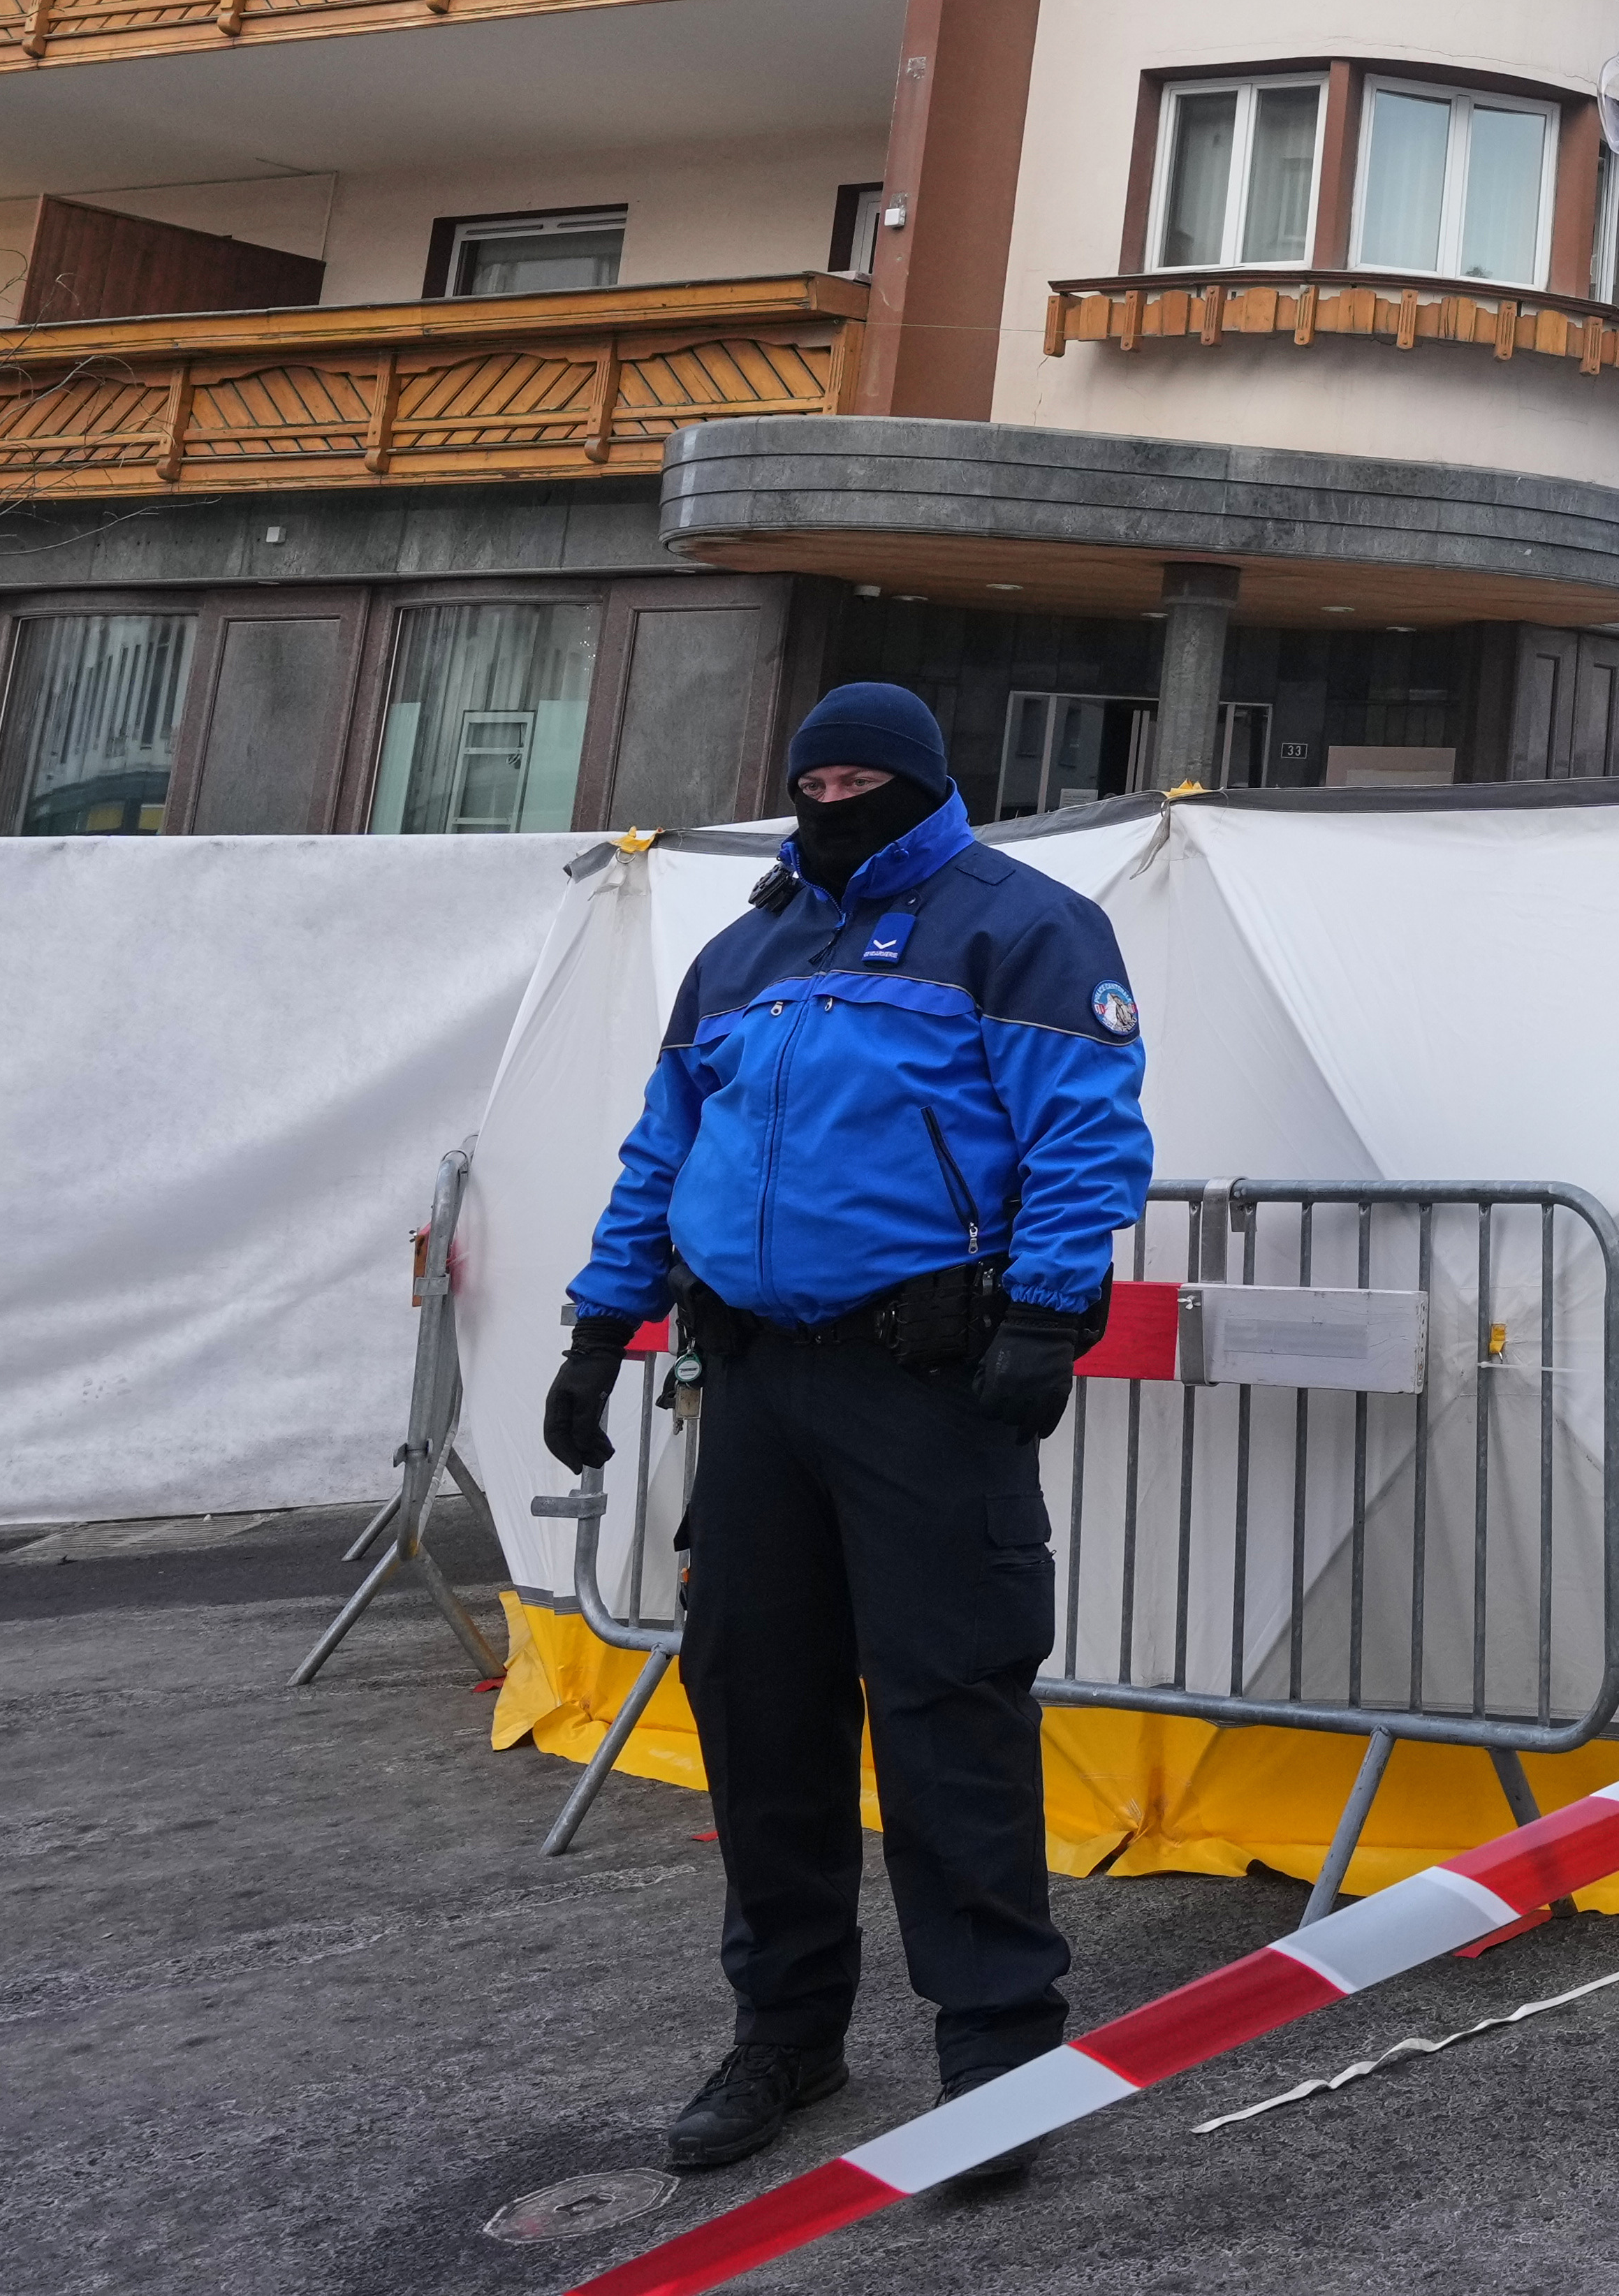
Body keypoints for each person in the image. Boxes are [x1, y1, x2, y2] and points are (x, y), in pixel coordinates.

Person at [539, 682, 1154, 2183]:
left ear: (925, 780)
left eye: (861, 777)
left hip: (924, 1383)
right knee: (758, 1706)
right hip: (754, 1384)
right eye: (811, 778)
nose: (831, 798)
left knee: (949, 1706)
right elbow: (665, 1148)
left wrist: (1047, 1314)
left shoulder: (1022, 924)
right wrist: (598, 1328)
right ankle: (787, 2029)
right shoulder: (742, 951)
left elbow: (1085, 1128)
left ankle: (997, 2050)